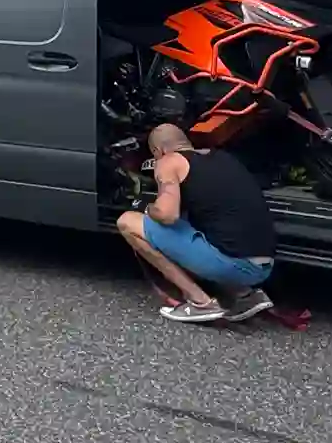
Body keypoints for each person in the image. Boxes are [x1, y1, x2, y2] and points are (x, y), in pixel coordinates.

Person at [117, 123, 277, 325]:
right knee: (206, 222)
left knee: (128, 222)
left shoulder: (169, 162)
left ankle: (200, 302)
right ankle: (246, 295)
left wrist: (147, 208)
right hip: (264, 264)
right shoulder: (223, 158)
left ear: (159, 151)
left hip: (235, 265)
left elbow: (167, 215)